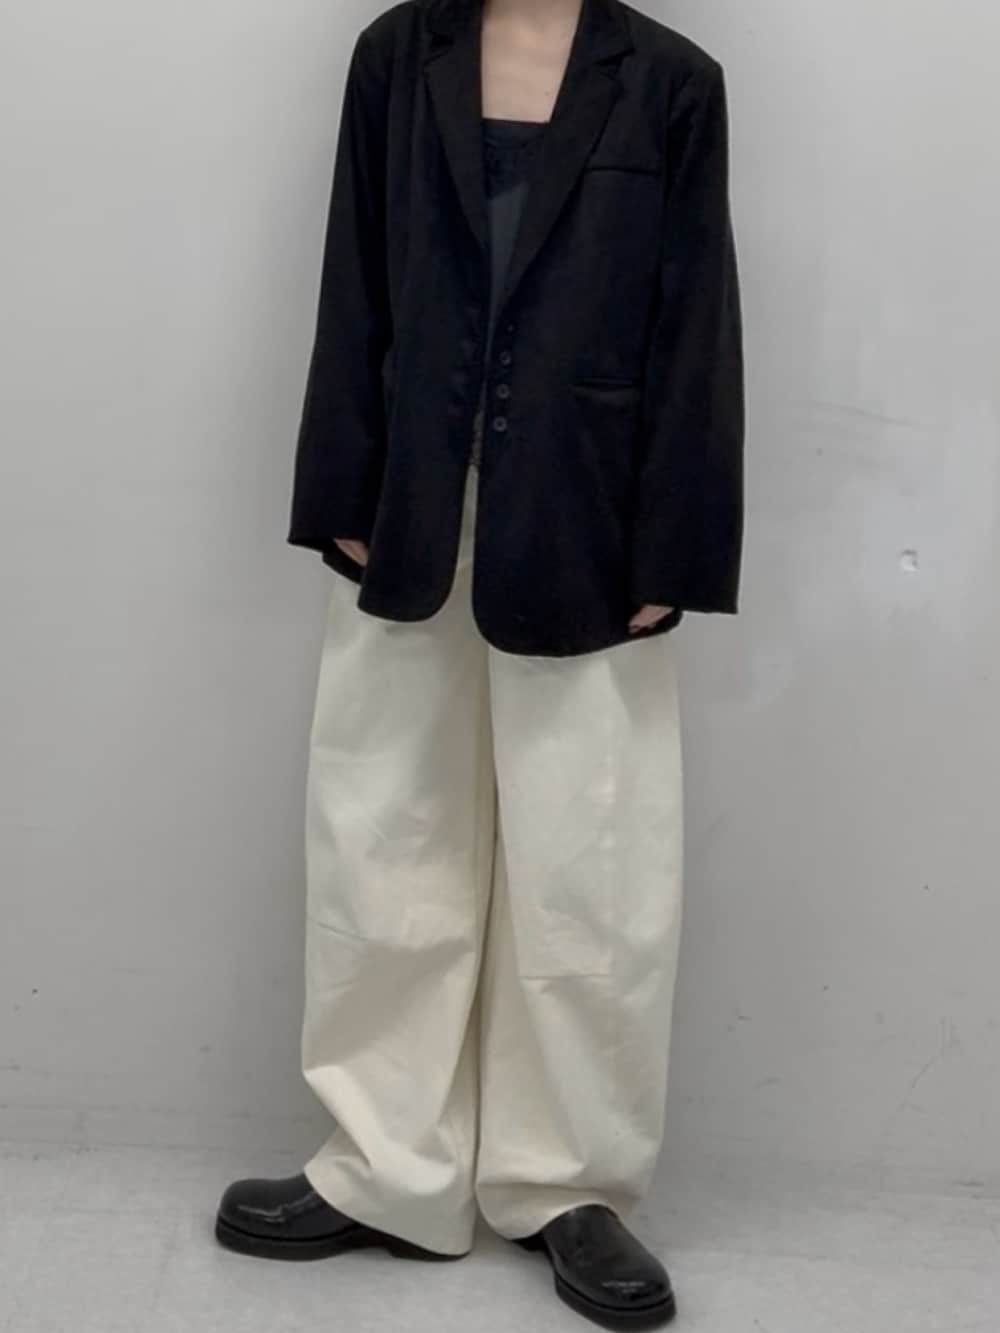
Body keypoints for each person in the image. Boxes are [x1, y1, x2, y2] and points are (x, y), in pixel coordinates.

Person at [215, 0, 744, 1327]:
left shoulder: (671, 80)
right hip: (408, 503)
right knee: (381, 835)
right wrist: (338, 478)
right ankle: (384, 1163)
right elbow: (355, 275)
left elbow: (697, 322)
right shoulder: (399, 56)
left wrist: (676, 545)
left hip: (588, 518)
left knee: (592, 866)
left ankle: (571, 1185)